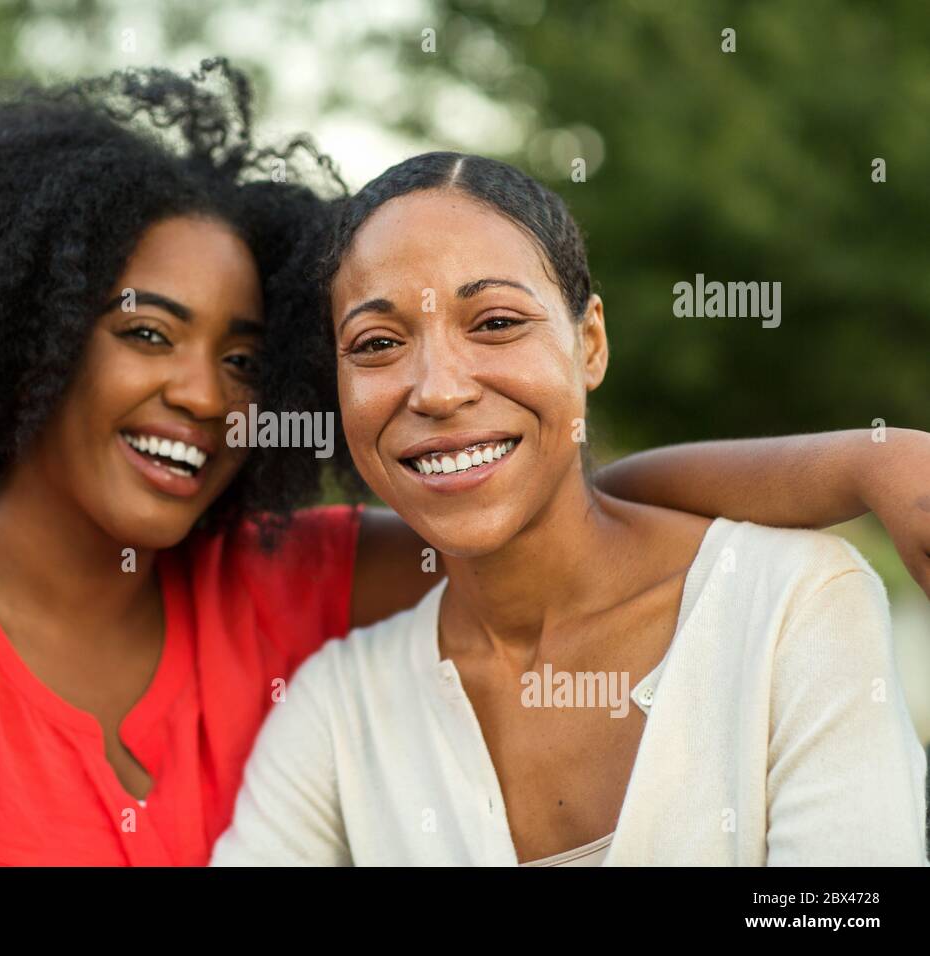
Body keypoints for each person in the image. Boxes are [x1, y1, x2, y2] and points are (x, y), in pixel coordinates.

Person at [0, 64, 929, 864]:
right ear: (26, 341)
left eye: (247, 360)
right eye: (145, 332)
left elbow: (560, 509)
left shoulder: (279, 580)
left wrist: (864, 462)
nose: (201, 393)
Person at [211, 152, 929, 866]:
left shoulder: (790, 605)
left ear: (589, 343)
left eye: (493, 322)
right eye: (377, 343)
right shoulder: (340, 709)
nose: (436, 390)